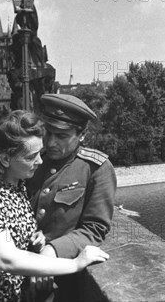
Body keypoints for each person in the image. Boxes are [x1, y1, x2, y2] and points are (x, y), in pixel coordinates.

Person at [0, 111, 109, 302]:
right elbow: (6, 259)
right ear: (6, 159)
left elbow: (10, 233)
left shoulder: (16, 187)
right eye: (32, 156)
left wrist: (34, 239)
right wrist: (75, 264)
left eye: (40, 154)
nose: (40, 161)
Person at [26, 94, 117, 302]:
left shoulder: (96, 169)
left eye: (61, 136)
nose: (51, 142)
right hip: (21, 270)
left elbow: (94, 228)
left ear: (82, 135)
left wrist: (51, 252)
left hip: (63, 285)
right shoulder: (33, 161)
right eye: (48, 133)